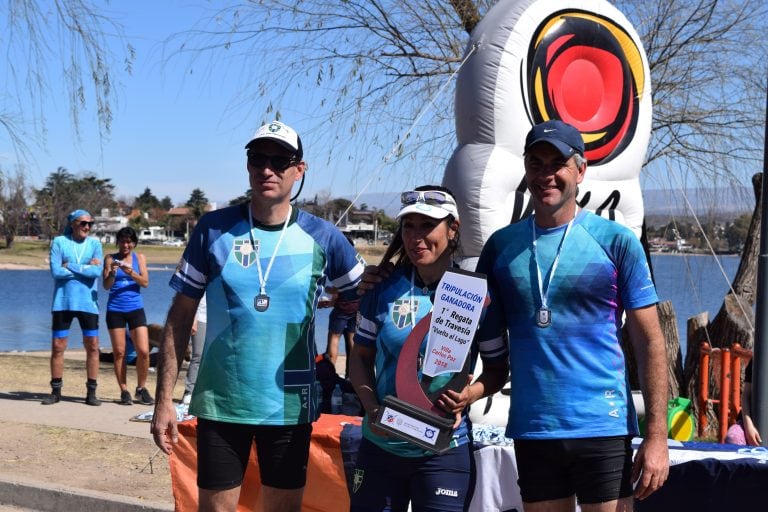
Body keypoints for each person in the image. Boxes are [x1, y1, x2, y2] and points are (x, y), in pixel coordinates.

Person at [150, 120, 365, 512]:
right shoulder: (214, 230)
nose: (268, 169)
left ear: (300, 169)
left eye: (280, 160)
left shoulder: (324, 237)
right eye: (257, 159)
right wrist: (164, 400)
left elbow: (366, 300)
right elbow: (180, 319)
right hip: (221, 402)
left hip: (289, 406)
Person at [473, 120, 669, 511]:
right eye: (536, 163)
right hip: (535, 427)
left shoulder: (616, 241)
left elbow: (649, 340)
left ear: (580, 170)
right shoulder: (501, 248)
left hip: (602, 424)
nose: (546, 174)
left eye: (557, 163)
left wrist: (657, 435)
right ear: (526, 171)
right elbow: (472, 324)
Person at [348, 185, 509, 512]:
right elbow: (359, 358)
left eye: (427, 225)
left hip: (444, 451)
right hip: (382, 445)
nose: (416, 236)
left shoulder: (476, 294)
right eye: (409, 225)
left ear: (453, 230)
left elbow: (496, 370)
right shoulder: (381, 288)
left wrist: (471, 395)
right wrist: (370, 406)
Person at [43, 209, 104, 406]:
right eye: (83, 223)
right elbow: (55, 271)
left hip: (88, 303)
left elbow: (96, 271)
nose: (87, 227)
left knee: (93, 346)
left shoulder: (95, 244)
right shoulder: (60, 242)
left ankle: (91, 392)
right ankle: (55, 391)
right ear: (72, 224)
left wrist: (71, 266)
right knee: (58, 346)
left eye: (90, 224)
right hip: (63, 302)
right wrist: (84, 268)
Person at [102, 226, 153, 406]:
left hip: (135, 308)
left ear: (134, 243)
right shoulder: (109, 258)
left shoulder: (140, 258)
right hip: (115, 309)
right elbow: (106, 286)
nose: (126, 245)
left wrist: (131, 272)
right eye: (123, 241)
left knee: (144, 351)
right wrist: (114, 273)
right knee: (120, 352)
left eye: (129, 241)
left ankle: (141, 388)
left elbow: (145, 282)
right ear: (118, 242)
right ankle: (124, 390)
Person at [319, 286, 358, 377]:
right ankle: (351, 378)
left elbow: (336, 292)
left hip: (340, 311)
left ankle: (329, 377)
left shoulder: (337, 272)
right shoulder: (360, 272)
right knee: (352, 344)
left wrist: (327, 292)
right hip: (356, 311)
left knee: (334, 341)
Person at [725, 359, 762, 446]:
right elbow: (746, 395)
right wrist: (749, 427)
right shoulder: (756, 360)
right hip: (750, 420)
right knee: (733, 438)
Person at [182, 293, 207, 405]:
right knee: (198, 356)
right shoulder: (204, 275)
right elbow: (193, 297)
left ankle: (204, 393)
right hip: (201, 318)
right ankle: (189, 392)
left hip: (218, 319)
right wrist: (194, 318)